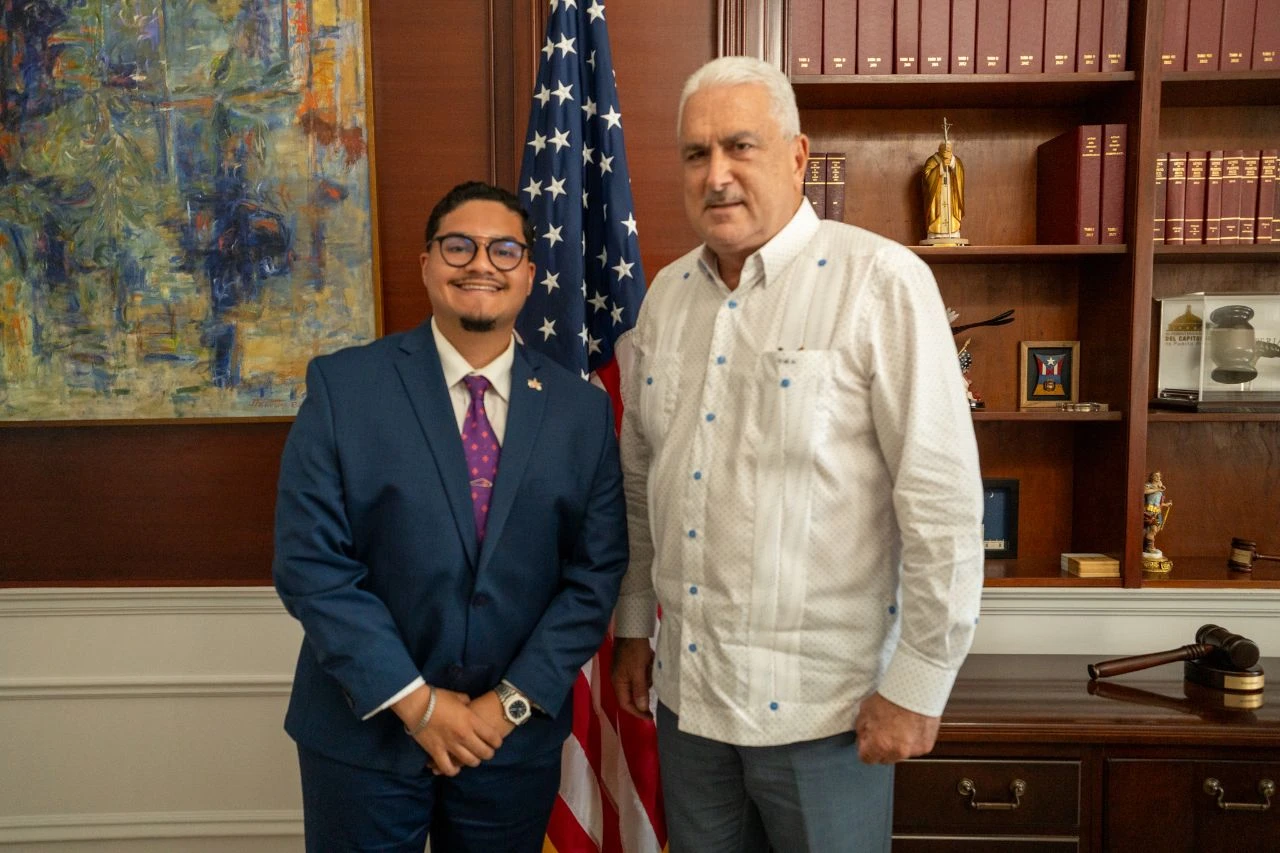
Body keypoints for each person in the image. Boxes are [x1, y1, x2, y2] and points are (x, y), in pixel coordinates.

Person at [610, 57, 984, 853]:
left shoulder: (880, 281)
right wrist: (636, 627)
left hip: (829, 714)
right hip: (690, 707)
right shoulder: (665, 296)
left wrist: (918, 685)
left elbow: (943, 499)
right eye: (695, 154)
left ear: (798, 156)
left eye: (740, 146)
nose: (716, 176)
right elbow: (643, 482)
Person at [274, 181, 628, 852]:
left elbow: (596, 571)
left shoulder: (579, 413)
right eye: (458, 245)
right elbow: (311, 564)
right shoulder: (344, 387)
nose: (481, 263)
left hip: (509, 740)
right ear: (427, 263)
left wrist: (508, 705)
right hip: (364, 734)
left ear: (529, 272)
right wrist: (420, 705)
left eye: (503, 249)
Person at [922, 124, 965, 243]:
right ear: (939, 149)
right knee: (938, 214)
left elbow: (960, 175)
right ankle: (936, 233)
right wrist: (940, 167)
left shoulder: (956, 161)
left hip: (951, 194)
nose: (947, 151)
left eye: (949, 149)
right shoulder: (932, 161)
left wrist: (951, 163)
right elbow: (927, 177)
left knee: (950, 213)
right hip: (937, 197)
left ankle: (953, 233)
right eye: (945, 149)